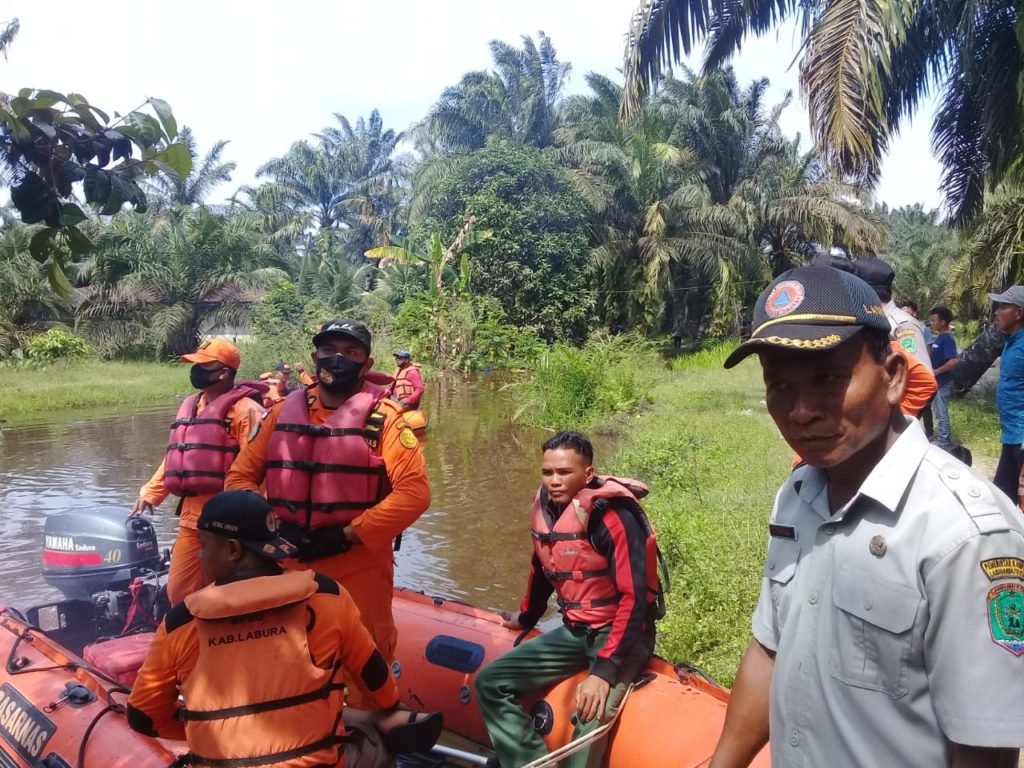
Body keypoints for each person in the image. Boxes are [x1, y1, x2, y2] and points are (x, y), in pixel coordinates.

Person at [710, 266, 1024, 768]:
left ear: (894, 376)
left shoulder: (965, 534)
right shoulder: (797, 494)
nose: (801, 411)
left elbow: (983, 746)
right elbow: (770, 648)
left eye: (829, 379)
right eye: (780, 385)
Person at [126, 490, 442, 768]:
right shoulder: (327, 597)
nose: (198, 553)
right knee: (374, 742)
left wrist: (201, 729)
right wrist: (388, 709)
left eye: (203, 544)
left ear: (233, 550)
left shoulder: (181, 623)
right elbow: (374, 675)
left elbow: (143, 717)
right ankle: (373, 722)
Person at [224, 319, 431, 708]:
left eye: (350, 352)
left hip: (358, 566)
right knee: (285, 671)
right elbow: (240, 477)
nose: (337, 359)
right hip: (287, 562)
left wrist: (346, 534)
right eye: (329, 350)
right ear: (314, 356)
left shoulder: (383, 419)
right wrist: (267, 527)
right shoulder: (282, 413)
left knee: (365, 673)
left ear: (366, 364)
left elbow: (415, 494)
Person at [475, 432, 662, 768]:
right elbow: (543, 565)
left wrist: (603, 672)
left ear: (587, 474)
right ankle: (531, 762)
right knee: (490, 682)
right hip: (576, 631)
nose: (554, 481)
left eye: (564, 473)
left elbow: (634, 599)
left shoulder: (612, 516)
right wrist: (528, 616)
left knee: (590, 712)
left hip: (623, 634)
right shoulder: (545, 508)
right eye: (548, 473)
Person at [131, 339, 266, 605]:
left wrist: (259, 519)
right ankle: (190, 643)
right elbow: (178, 455)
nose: (196, 371)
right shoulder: (193, 405)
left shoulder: (247, 411)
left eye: (203, 365)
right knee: (180, 592)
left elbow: (260, 466)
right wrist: (152, 492)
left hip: (231, 520)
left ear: (224, 372)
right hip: (193, 517)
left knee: (234, 590)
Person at [853, 259, 934, 372]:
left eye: (853, 289)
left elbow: (922, 380)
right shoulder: (869, 320)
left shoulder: (902, 325)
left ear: (865, 291)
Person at [989, 286, 1024, 505]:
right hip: (1011, 436)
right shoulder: (1012, 341)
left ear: (1019, 313)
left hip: (1022, 438)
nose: (997, 311)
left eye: (1003, 306)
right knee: (1002, 500)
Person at [928, 305, 960, 447]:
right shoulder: (939, 337)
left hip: (944, 382)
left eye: (934, 320)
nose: (932, 323)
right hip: (938, 381)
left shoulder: (947, 339)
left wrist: (936, 371)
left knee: (941, 411)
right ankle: (941, 437)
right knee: (938, 410)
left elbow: (954, 361)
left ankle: (944, 440)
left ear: (943, 322)